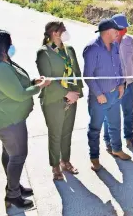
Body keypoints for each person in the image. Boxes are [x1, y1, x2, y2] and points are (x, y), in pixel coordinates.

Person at [0, 29, 50, 208]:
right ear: (0, 46)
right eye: (9, 43)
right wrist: (40, 87)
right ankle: (12, 195)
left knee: (9, 154)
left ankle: (14, 186)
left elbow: (16, 82)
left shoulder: (2, 61)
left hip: (8, 117)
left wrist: (33, 81)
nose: (12, 46)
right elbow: (19, 94)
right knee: (18, 155)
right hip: (7, 121)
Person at [36, 21, 83, 180]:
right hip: (53, 99)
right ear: (55, 33)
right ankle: (55, 165)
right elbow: (48, 80)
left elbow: (76, 72)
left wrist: (76, 93)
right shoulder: (44, 53)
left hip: (72, 98)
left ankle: (65, 161)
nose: (66, 32)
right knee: (55, 133)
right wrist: (66, 93)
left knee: (67, 133)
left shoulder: (69, 49)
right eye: (63, 30)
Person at [83, 18, 130, 172]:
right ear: (108, 32)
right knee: (95, 129)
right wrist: (98, 94)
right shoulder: (92, 49)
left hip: (115, 94)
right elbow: (87, 75)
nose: (119, 33)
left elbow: (119, 66)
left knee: (115, 124)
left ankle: (117, 149)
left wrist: (121, 84)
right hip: (100, 98)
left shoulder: (115, 45)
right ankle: (94, 158)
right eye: (116, 31)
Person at [103, 14, 133, 152]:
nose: (125, 30)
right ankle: (109, 141)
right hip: (112, 87)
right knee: (110, 115)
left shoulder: (129, 40)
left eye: (125, 28)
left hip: (128, 83)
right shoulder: (105, 44)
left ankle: (129, 137)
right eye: (123, 28)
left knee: (129, 111)